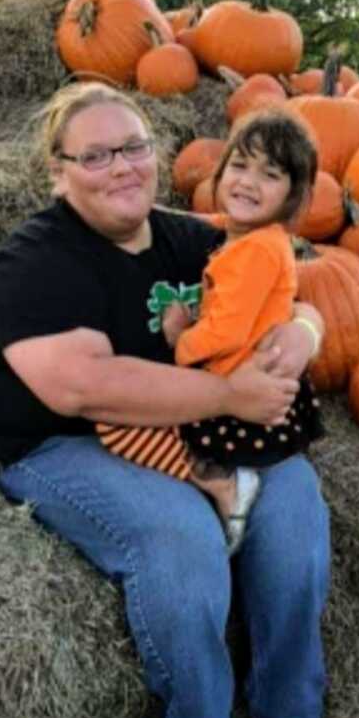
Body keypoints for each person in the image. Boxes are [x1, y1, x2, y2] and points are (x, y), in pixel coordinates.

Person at [0, 81, 346, 718]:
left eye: (134, 147)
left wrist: (306, 333)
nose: (122, 167)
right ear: (59, 170)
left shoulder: (195, 239)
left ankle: (288, 707)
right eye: (97, 154)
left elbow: (288, 290)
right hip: (61, 444)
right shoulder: (32, 264)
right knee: (178, 533)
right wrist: (230, 400)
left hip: (191, 422)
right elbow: (84, 387)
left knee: (294, 494)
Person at [95, 109, 323, 554]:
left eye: (269, 174)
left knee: (116, 425)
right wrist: (143, 207)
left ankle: (225, 484)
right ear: (219, 174)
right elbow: (211, 225)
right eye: (239, 166)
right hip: (242, 382)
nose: (248, 182)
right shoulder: (250, 236)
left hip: (233, 393)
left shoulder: (252, 252)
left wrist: (181, 340)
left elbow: (225, 334)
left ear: (292, 196)